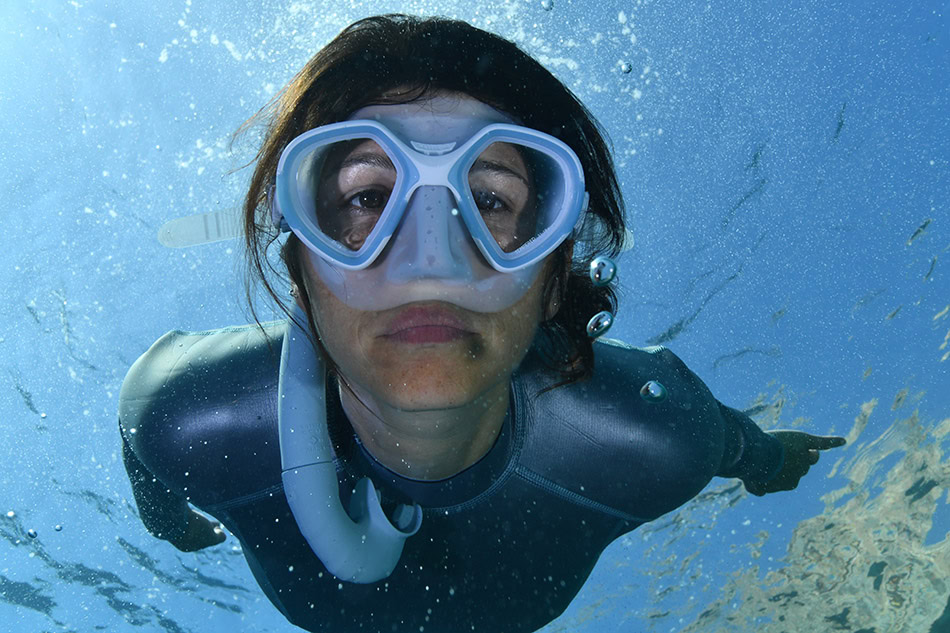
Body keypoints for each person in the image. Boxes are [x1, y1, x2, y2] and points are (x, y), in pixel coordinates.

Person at [118, 14, 846, 633]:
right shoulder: (185, 413)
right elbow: (143, 449)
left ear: (556, 271)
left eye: (493, 201)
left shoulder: (653, 433)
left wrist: (769, 460)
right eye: (368, 197)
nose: (431, 261)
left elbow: (731, 442)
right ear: (300, 260)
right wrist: (171, 524)